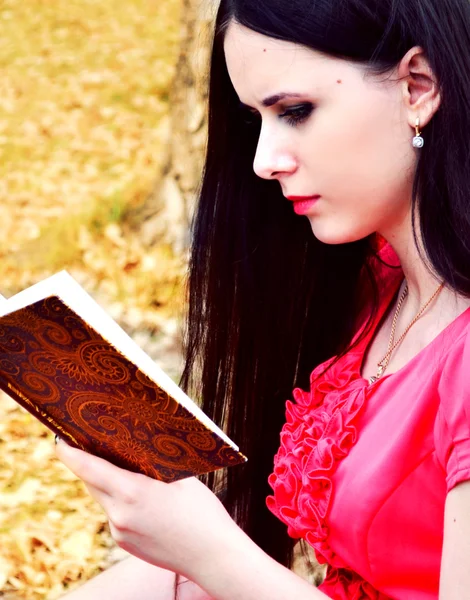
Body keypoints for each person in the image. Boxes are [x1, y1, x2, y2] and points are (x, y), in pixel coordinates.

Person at [55, 0, 470, 598]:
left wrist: (208, 548)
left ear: (417, 86)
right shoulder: (380, 286)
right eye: (256, 122)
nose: (262, 162)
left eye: (296, 112)